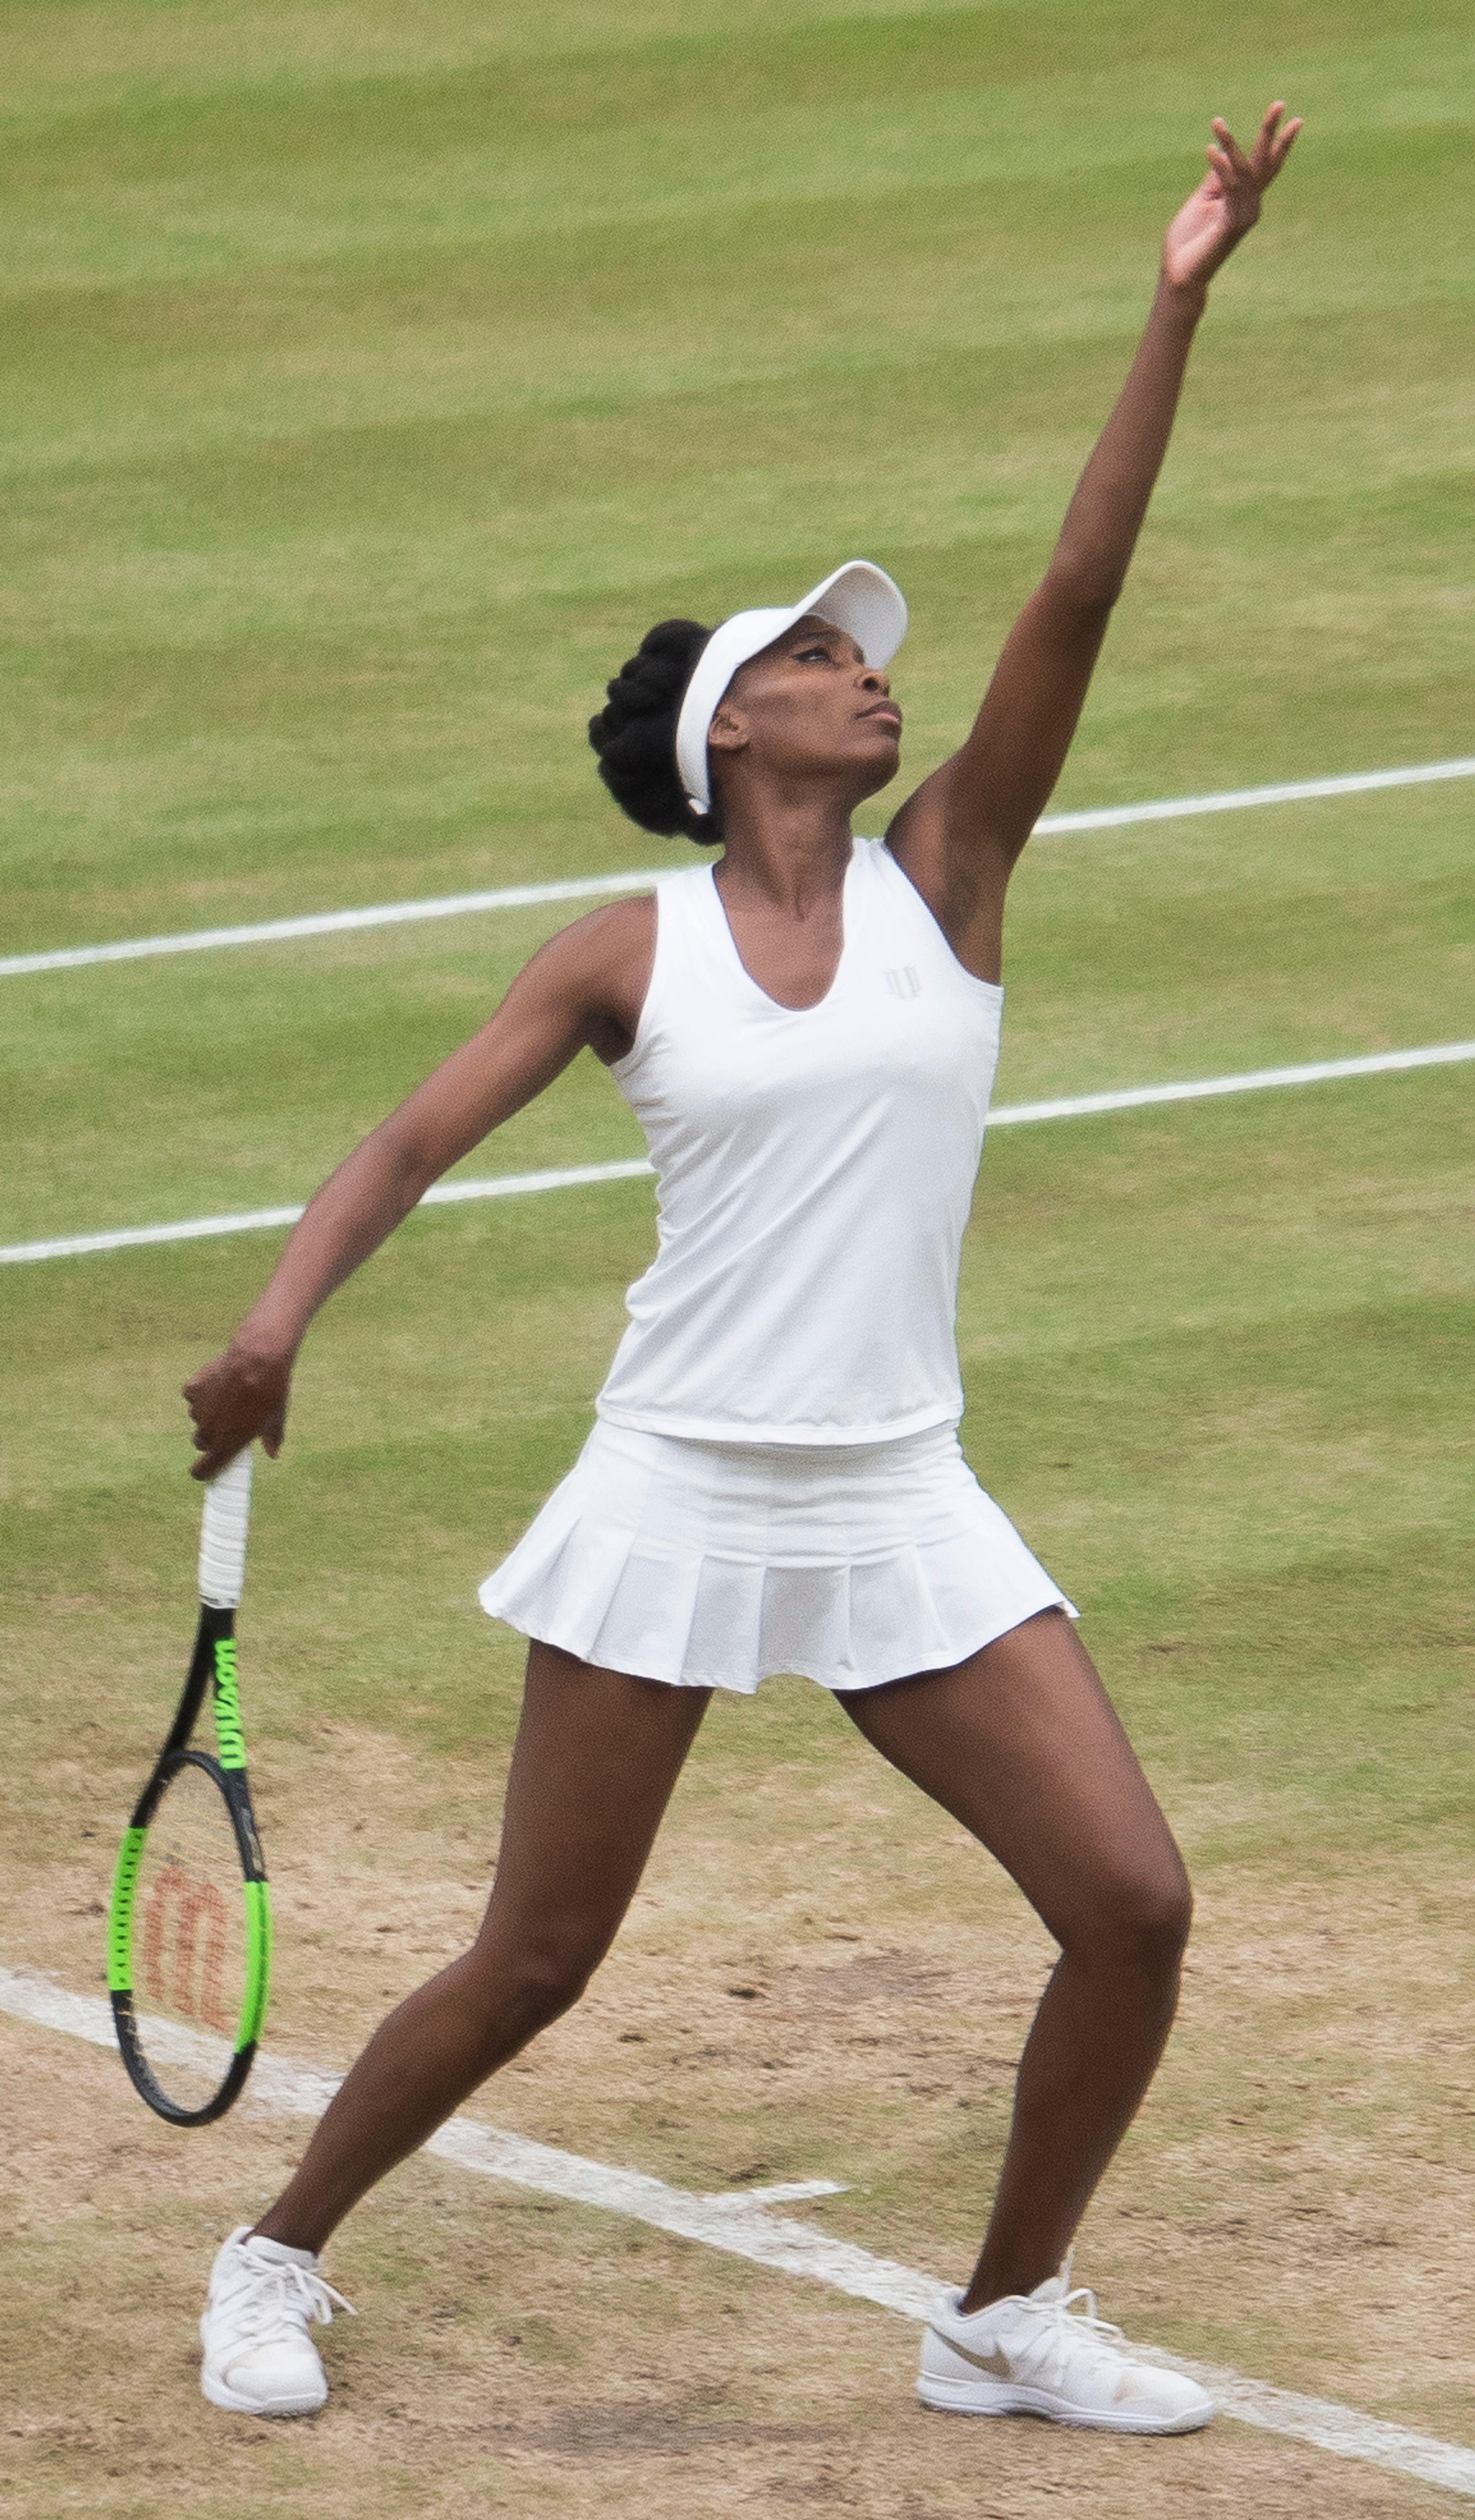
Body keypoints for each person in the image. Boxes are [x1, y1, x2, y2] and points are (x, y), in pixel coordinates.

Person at [184, 106, 1299, 2430]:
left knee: (1138, 1903)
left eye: (867, 659)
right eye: (821, 659)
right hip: (680, 1482)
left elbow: (1077, 600)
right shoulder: (628, 947)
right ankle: (273, 2250)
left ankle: (999, 2316)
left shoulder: (949, 878)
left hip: (903, 1487)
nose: (870, 677)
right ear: (734, 737)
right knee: (540, 1954)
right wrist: (280, 1322)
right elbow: (407, 1136)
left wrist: (1176, 299)